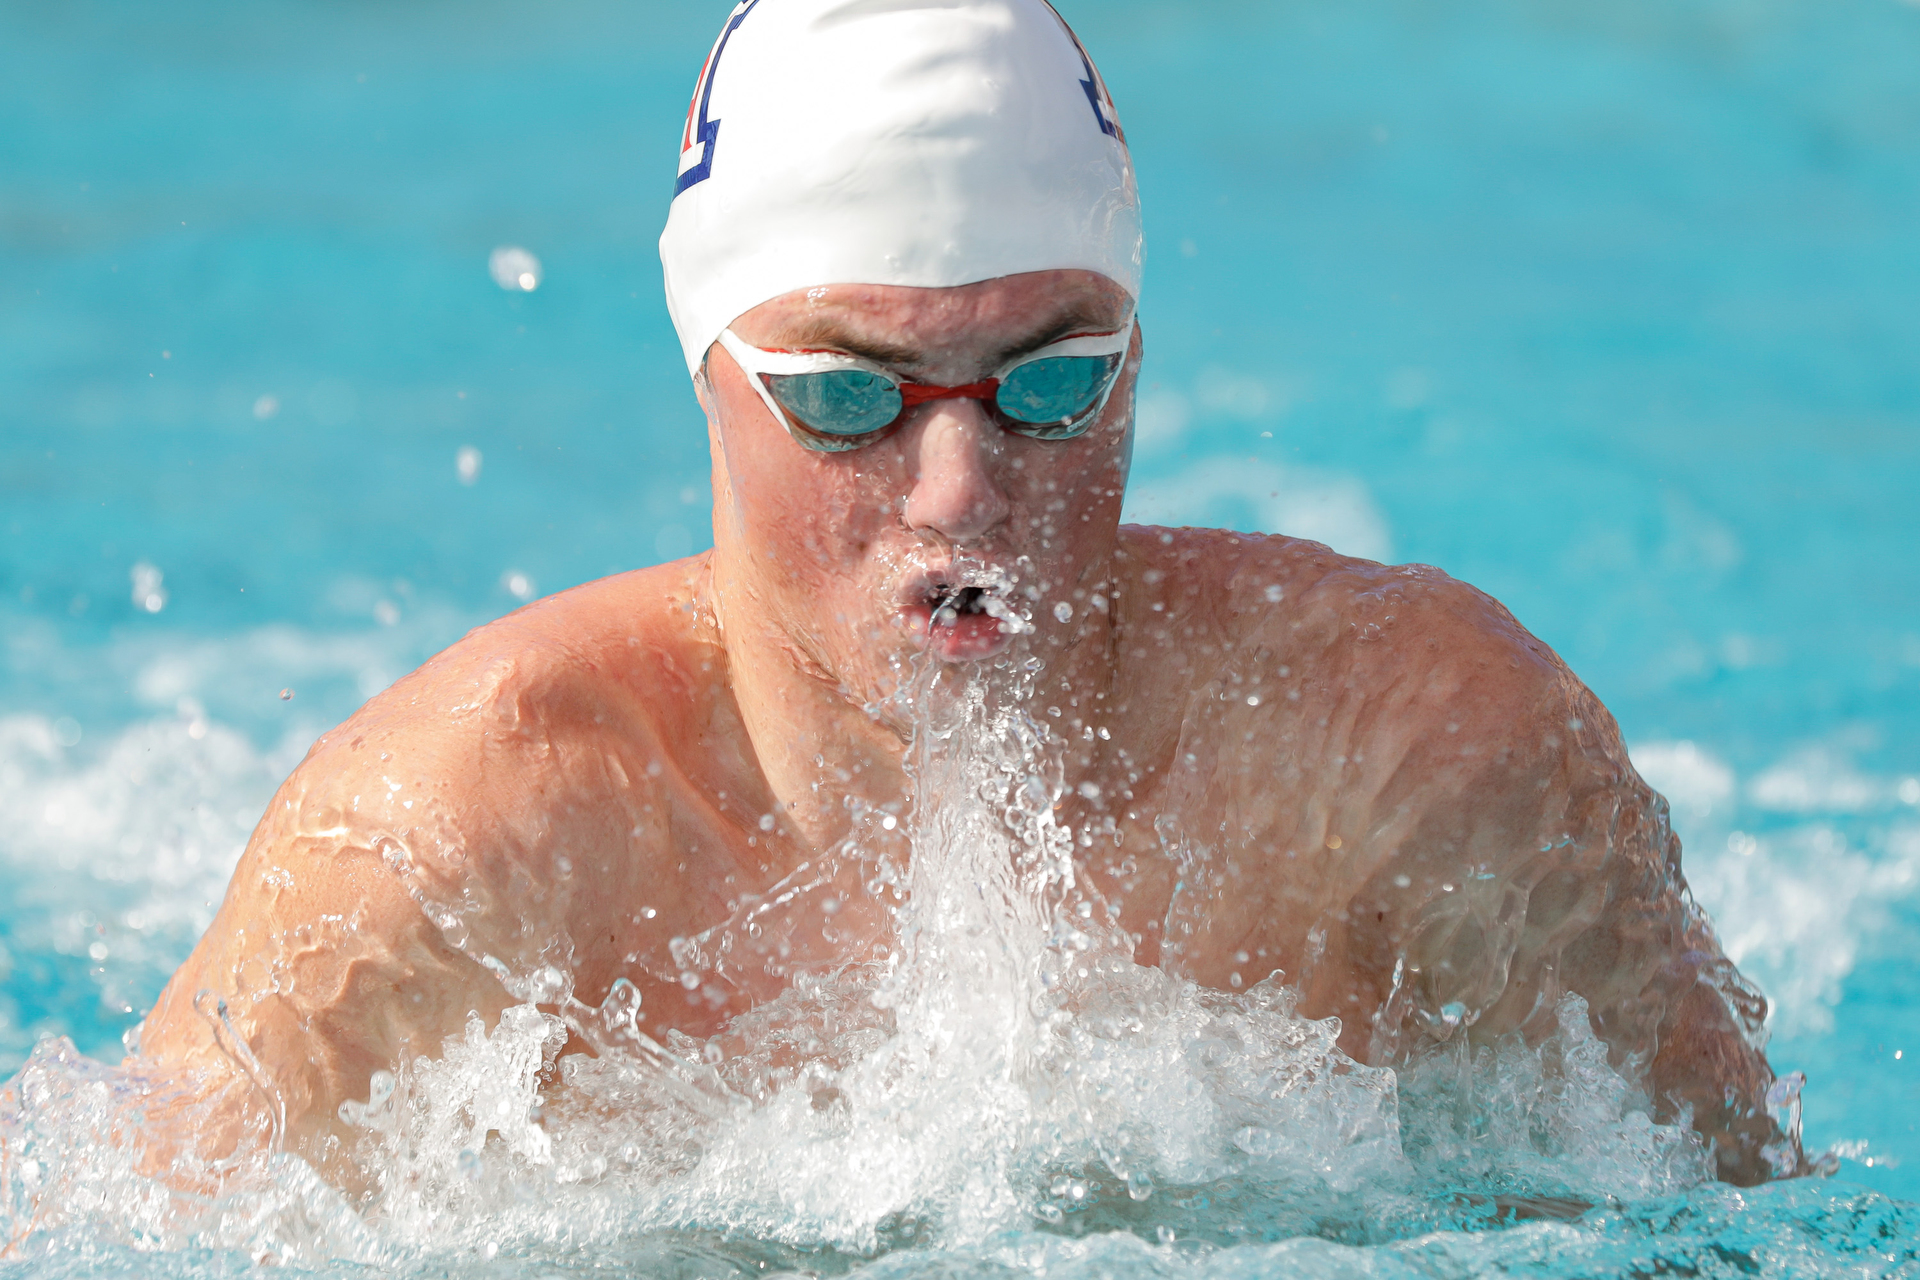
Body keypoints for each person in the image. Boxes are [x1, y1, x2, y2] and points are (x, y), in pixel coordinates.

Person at [135, 0, 1800, 1189]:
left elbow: (1770, 1235)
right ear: (707, 375)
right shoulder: (464, 833)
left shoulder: (1415, 757)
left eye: (1053, 382)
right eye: (851, 398)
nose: (960, 492)